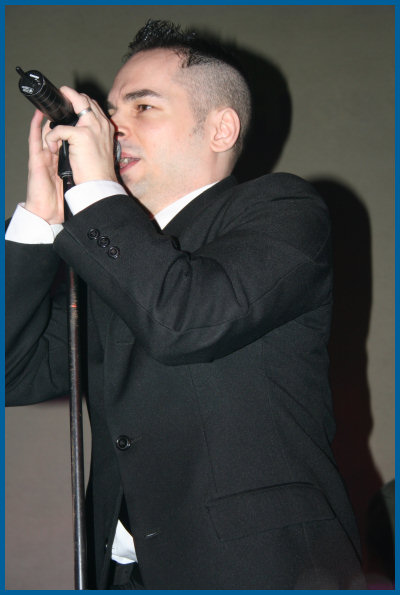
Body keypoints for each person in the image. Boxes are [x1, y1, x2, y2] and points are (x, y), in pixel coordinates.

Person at [5, 19, 366, 589]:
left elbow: (185, 319)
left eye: (143, 107)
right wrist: (38, 219)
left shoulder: (283, 210)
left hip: (258, 570)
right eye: (110, 111)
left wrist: (95, 195)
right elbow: (11, 372)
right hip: (122, 572)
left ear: (220, 128)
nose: (112, 127)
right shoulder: (111, 256)